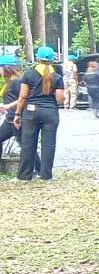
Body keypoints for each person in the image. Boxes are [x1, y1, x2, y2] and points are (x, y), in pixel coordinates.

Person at [12, 45, 62, 181]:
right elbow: (59, 99)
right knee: (49, 144)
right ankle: (46, 175)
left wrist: (17, 114)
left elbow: (22, 97)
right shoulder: (57, 76)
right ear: (52, 60)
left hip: (31, 112)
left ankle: (24, 176)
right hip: (50, 112)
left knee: (28, 143)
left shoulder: (29, 74)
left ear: (37, 59)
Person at [0, 55, 23, 160]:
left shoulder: (16, 82)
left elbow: (24, 98)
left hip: (16, 119)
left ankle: (38, 168)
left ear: (6, 68)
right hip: (9, 120)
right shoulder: (9, 82)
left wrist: (8, 106)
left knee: (25, 146)